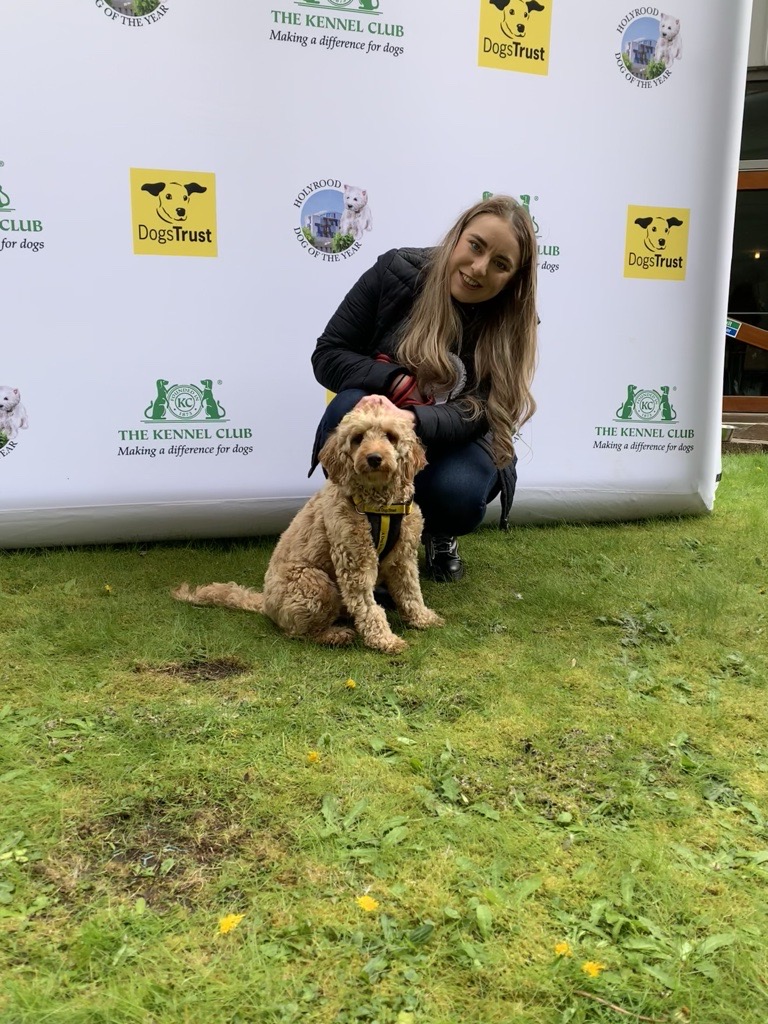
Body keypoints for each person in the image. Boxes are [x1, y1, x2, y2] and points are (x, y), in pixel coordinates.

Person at [309, 194, 538, 583]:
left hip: (454, 437)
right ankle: (357, 536)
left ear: (514, 278)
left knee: (459, 494)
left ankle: (438, 531)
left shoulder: (514, 319)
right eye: (475, 246)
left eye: (500, 265)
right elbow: (329, 354)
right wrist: (393, 381)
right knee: (345, 409)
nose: (478, 269)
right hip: (385, 420)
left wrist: (414, 417)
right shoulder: (397, 270)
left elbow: (484, 409)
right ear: (457, 235)